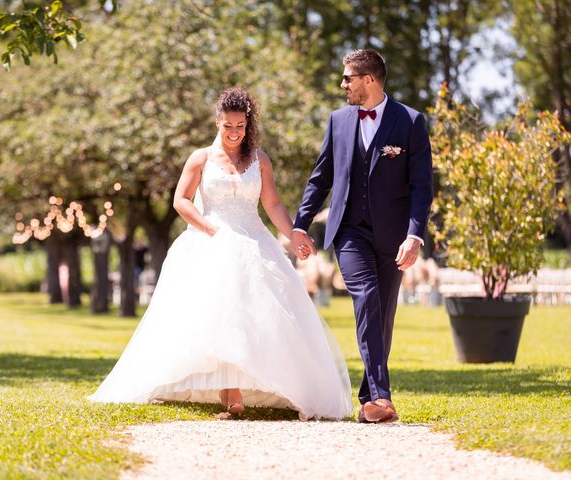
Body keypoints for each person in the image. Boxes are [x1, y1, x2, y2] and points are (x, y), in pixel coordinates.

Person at [89, 87, 353, 421]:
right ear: (217, 121)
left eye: (240, 126)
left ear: (248, 124)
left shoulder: (259, 159)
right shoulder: (200, 158)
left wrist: (295, 233)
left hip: (254, 240)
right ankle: (231, 395)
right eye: (228, 126)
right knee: (219, 313)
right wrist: (209, 228)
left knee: (256, 314)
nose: (234, 132)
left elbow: (271, 203)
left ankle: (266, 387)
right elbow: (181, 201)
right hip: (211, 238)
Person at [291, 49, 433, 423]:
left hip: (394, 236)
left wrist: (415, 236)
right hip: (350, 232)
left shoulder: (411, 122)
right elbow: (321, 177)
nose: (343, 85)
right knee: (366, 296)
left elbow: (422, 187)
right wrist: (300, 223)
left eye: (348, 78)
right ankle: (383, 396)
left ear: (368, 79)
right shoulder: (338, 121)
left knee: (383, 313)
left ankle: (369, 398)